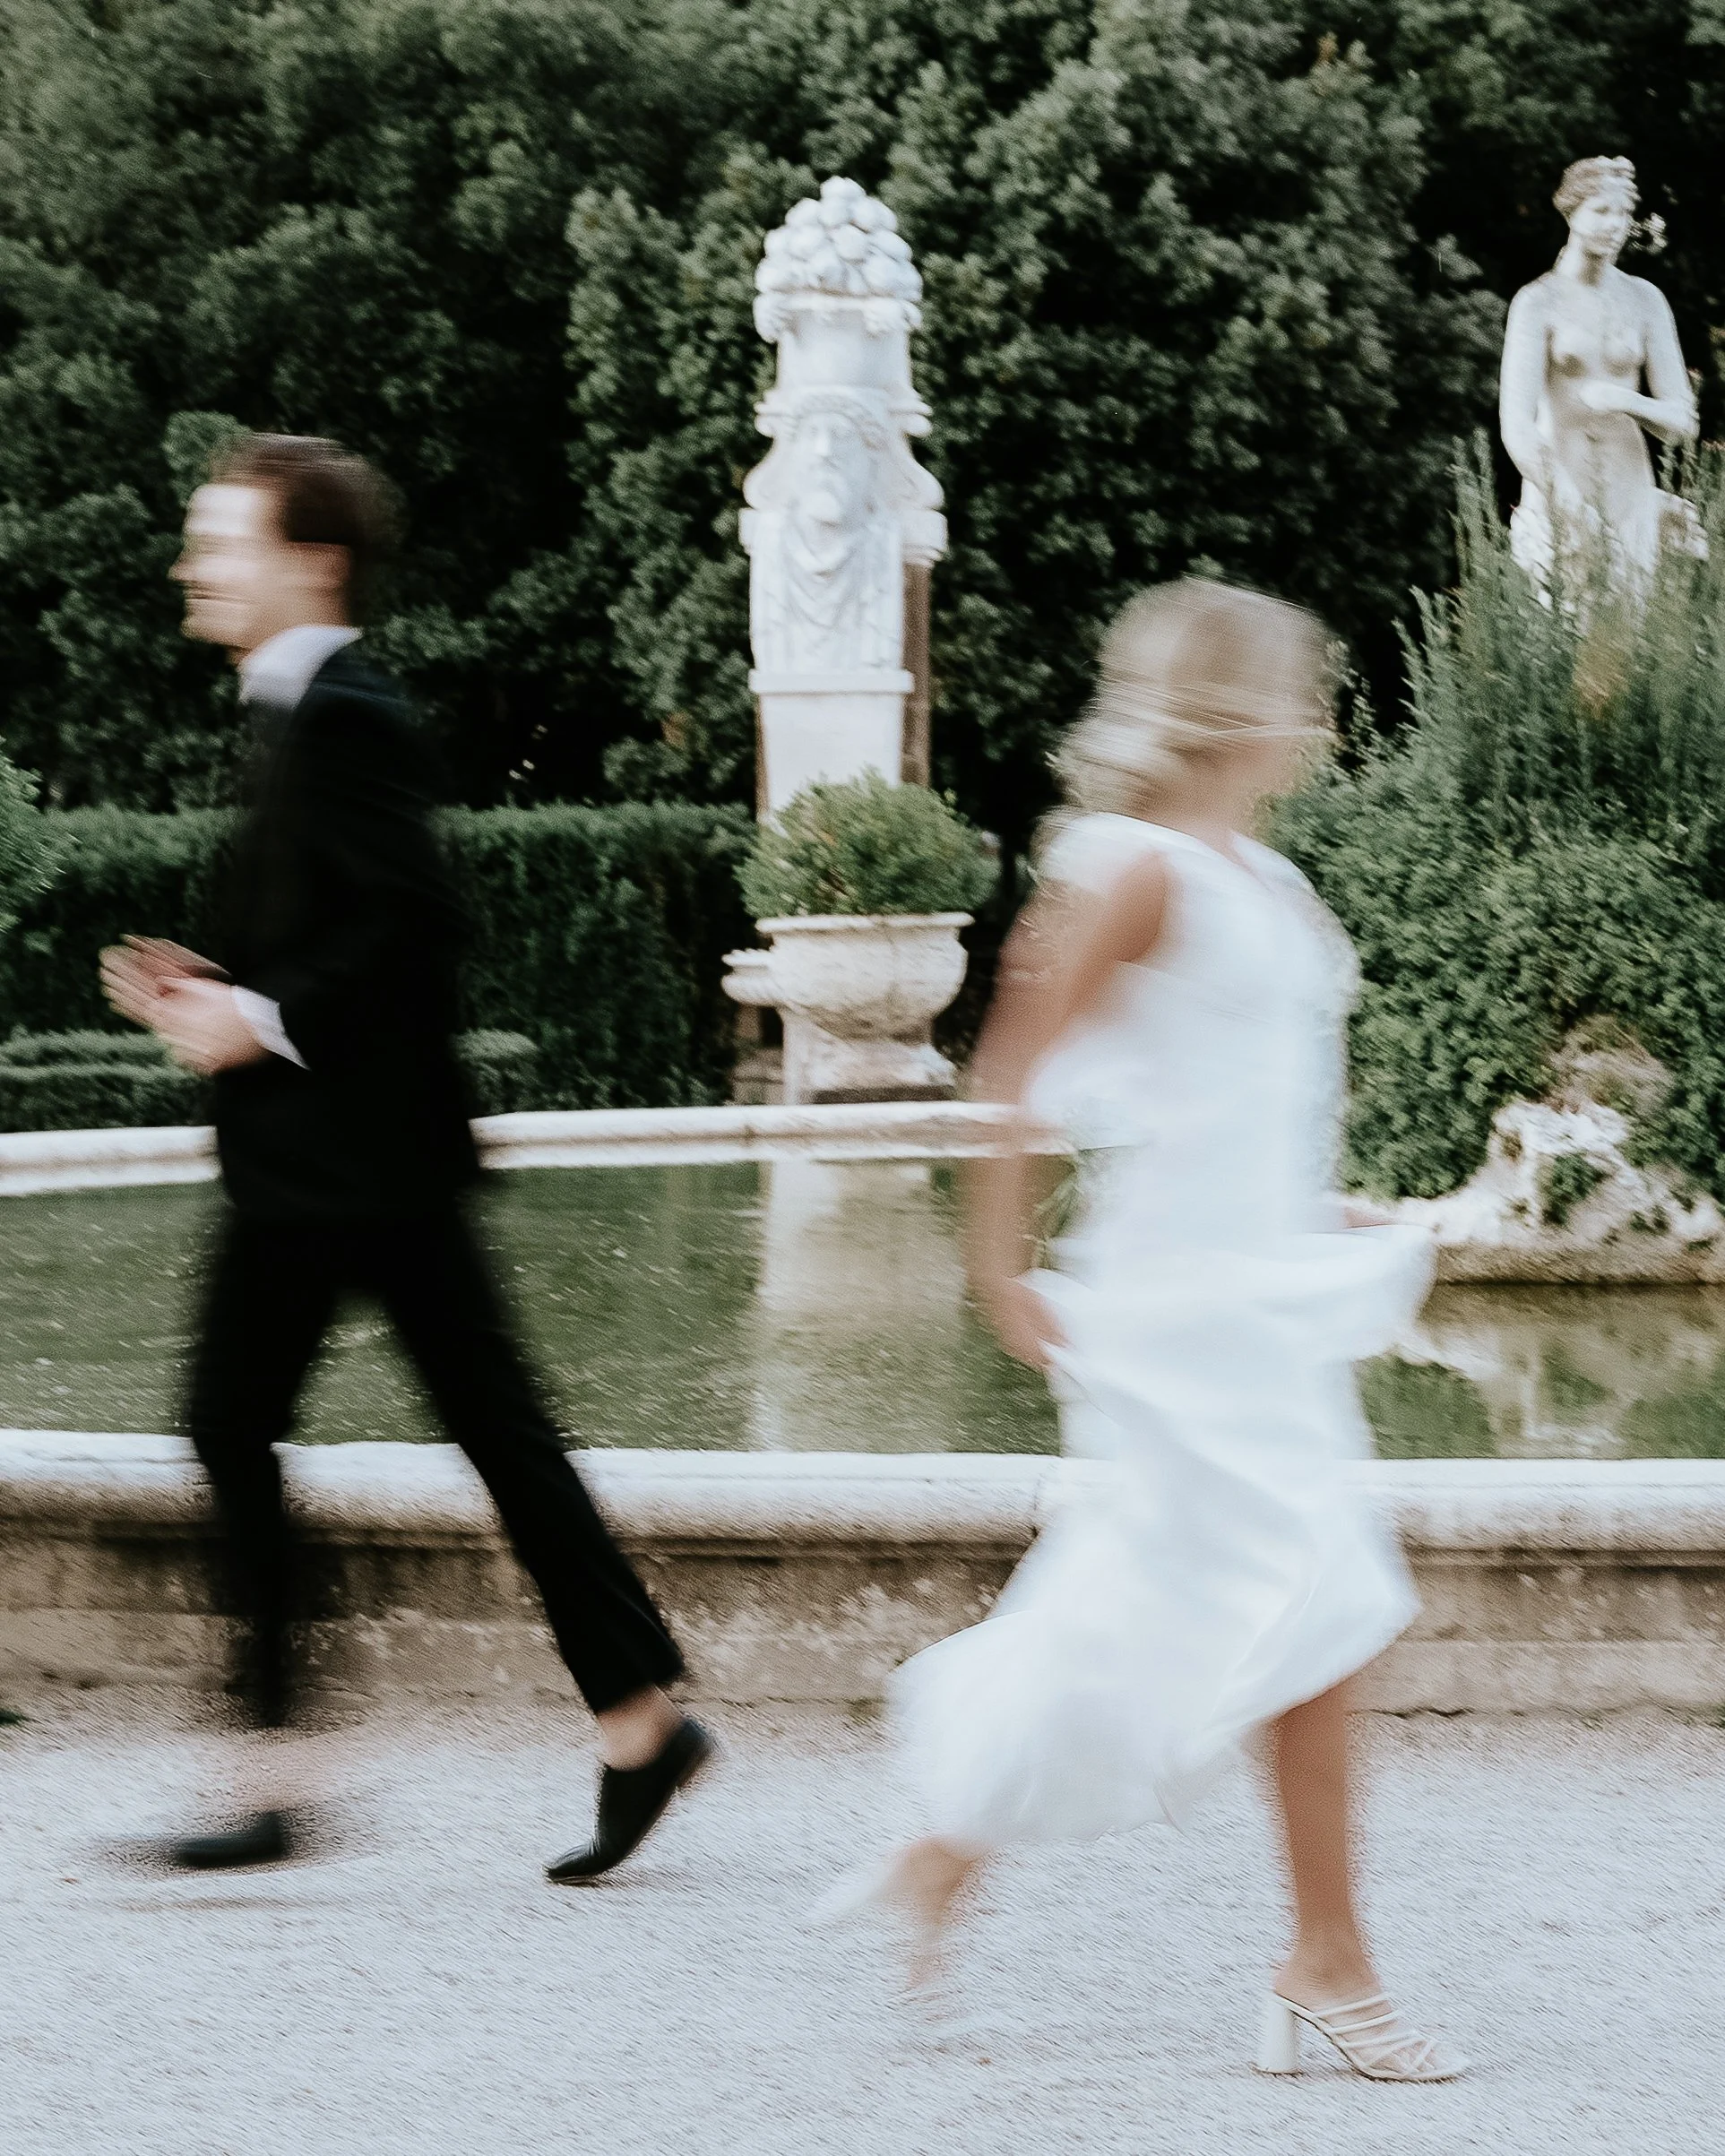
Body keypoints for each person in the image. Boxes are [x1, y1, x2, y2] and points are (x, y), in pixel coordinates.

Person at [824, 580, 1466, 2082]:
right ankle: (1328, 1961)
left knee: (1150, 1604)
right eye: (1301, 686)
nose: (1320, 713)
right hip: (1180, 1314)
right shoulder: (1134, 868)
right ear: (1239, 707)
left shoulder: (1261, 875)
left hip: (1254, 1302)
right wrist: (1000, 1274)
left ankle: (949, 1846)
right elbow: (1013, 1071)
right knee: (1314, 1598)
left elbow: (1239, 1092)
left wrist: (1323, 1212)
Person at [102, 434, 709, 1876]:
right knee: (486, 1438)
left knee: (249, 1423)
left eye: (223, 539)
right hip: (347, 1159)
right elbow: (349, 922)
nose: (194, 564)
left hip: (350, 1165)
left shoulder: (349, 712)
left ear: (312, 561)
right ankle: (637, 1722)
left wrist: (255, 1018)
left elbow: (418, 924)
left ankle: (288, 1773)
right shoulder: (301, 708)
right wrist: (224, 984)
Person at [1499, 154, 1701, 594]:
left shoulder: (1645, 300)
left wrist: (1624, 400)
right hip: (1561, 491)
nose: (1615, 225)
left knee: (1629, 627)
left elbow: (1682, 424)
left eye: (1624, 213)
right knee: (1563, 625)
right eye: (1601, 210)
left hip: (1629, 491)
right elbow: (1517, 429)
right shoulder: (1537, 302)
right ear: (1572, 212)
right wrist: (1570, 506)